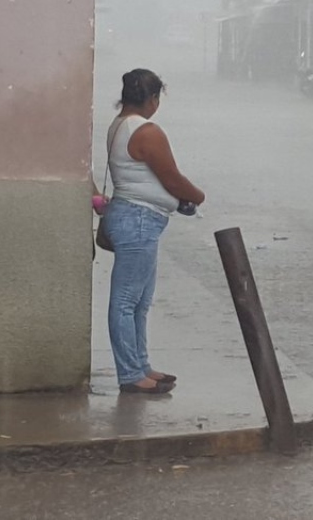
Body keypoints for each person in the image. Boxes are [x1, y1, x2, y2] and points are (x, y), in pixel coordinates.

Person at [102, 69, 205, 395]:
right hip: (138, 220)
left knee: (139, 302)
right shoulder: (146, 132)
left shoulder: (119, 125)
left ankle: (141, 365)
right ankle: (131, 374)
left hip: (135, 218)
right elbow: (172, 178)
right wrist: (198, 196)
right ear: (152, 99)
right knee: (126, 301)